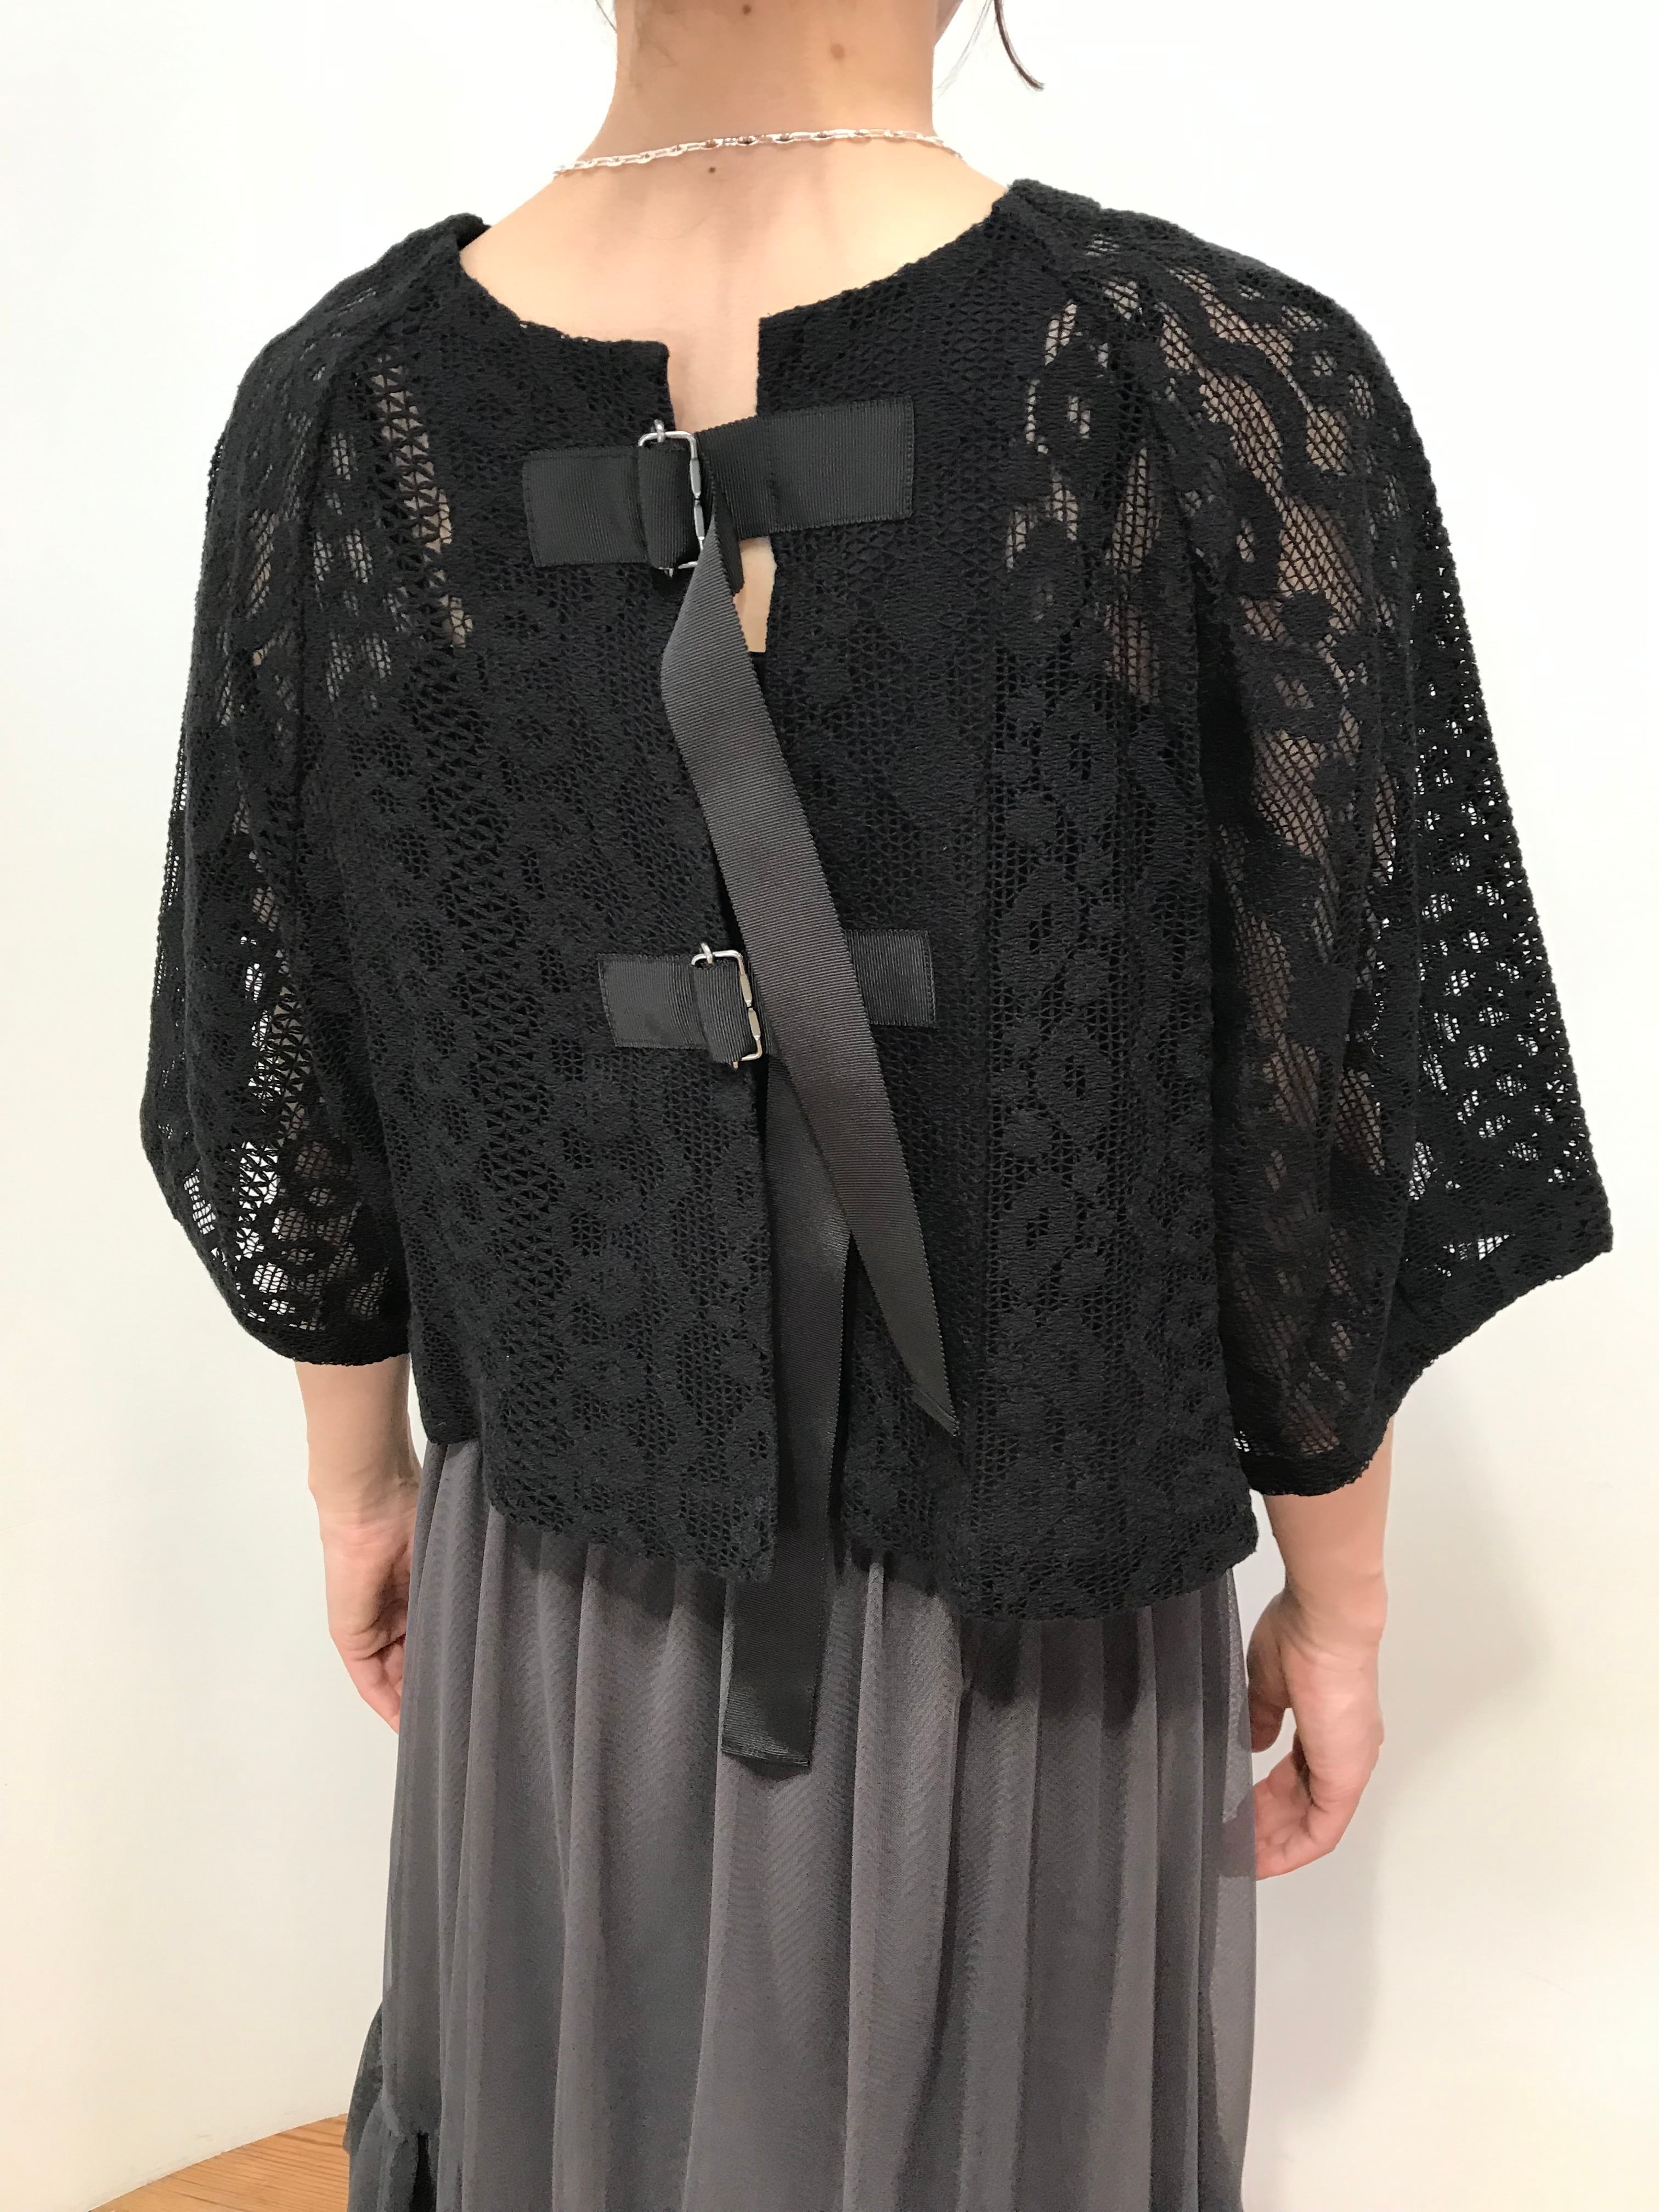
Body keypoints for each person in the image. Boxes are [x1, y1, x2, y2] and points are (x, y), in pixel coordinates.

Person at [138, 2, 1613, 2207]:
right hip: (1035, 1644)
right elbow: (1321, 1122)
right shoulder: (1217, 385)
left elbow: (294, 1079)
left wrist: (362, 1494)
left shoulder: (337, 419)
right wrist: (1343, 1596)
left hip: (570, 1613)